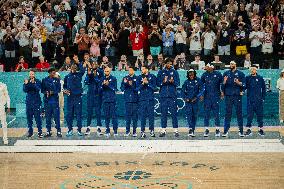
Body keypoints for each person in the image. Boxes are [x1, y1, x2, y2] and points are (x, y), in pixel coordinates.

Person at [221, 61, 246, 137]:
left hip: (237, 96)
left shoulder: (241, 73)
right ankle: (225, 131)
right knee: (228, 113)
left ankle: (241, 131)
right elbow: (222, 86)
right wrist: (224, 82)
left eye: (232, 64)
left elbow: (244, 85)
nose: (231, 65)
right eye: (230, 64)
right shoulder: (226, 73)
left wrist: (239, 83)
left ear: (235, 65)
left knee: (239, 113)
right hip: (228, 96)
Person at [157, 58, 180, 137]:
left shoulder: (175, 72)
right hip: (163, 96)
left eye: (171, 63)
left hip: (172, 96)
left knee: (174, 113)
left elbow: (178, 83)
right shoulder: (161, 72)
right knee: (163, 113)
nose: (169, 65)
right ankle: (163, 130)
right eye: (168, 63)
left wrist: (173, 82)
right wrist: (163, 82)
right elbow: (157, 83)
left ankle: (175, 130)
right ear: (165, 64)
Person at [63, 62, 86, 137]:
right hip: (70, 98)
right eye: (73, 68)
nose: (74, 69)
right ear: (70, 68)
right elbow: (64, 86)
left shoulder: (79, 74)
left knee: (79, 114)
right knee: (69, 115)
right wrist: (65, 90)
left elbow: (83, 70)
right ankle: (70, 130)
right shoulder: (67, 77)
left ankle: (79, 130)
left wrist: (78, 63)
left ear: (77, 69)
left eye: (75, 68)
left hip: (78, 97)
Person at [201, 64, 223, 137]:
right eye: (206, 67)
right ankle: (206, 129)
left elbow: (222, 84)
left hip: (215, 97)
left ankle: (217, 129)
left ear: (212, 67)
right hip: (207, 97)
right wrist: (201, 95)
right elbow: (201, 85)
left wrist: (222, 92)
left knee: (216, 114)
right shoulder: (204, 74)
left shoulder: (218, 74)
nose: (206, 68)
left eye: (208, 67)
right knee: (206, 114)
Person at [181, 69, 204, 137]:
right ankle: (190, 128)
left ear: (194, 74)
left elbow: (202, 89)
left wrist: (197, 97)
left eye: (192, 74)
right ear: (188, 75)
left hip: (195, 101)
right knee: (189, 115)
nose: (191, 76)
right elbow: (182, 91)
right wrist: (185, 98)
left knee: (194, 115)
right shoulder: (186, 82)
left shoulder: (198, 81)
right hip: (188, 102)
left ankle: (192, 129)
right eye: (190, 75)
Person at [245, 65, 266, 136]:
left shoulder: (260, 78)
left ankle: (260, 129)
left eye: (254, 69)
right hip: (250, 100)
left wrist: (263, 98)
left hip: (258, 100)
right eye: (251, 69)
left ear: (256, 70)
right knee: (249, 115)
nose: (252, 70)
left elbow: (264, 88)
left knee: (259, 115)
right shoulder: (247, 78)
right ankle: (249, 130)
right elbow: (245, 87)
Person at [136, 65, 157, 138]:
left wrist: (148, 83)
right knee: (143, 116)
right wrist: (142, 84)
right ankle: (142, 131)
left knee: (151, 116)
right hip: (142, 99)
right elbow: (137, 89)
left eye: (143, 68)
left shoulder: (153, 76)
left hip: (150, 99)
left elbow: (155, 88)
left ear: (147, 69)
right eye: (141, 69)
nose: (141, 70)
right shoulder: (139, 77)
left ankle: (152, 130)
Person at [84, 62, 104, 136]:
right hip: (90, 95)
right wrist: (89, 75)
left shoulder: (101, 72)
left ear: (98, 64)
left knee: (98, 111)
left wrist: (94, 76)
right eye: (93, 64)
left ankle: (99, 128)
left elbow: (100, 82)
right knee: (89, 112)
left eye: (96, 63)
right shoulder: (89, 72)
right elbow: (86, 82)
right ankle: (88, 128)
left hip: (98, 95)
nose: (94, 64)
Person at [41, 68, 62, 137]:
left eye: (55, 73)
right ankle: (48, 131)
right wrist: (46, 92)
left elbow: (59, 90)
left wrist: (52, 92)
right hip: (47, 101)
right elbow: (42, 90)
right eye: (53, 73)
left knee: (56, 117)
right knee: (48, 117)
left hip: (55, 101)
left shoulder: (57, 80)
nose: (54, 74)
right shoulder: (44, 80)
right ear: (49, 73)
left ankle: (59, 131)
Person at [23, 70, 43, 138]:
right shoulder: (26, 81)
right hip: (29, 103)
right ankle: (30, 132)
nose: (31, 75)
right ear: (29, 75)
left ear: (34, 74)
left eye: (32, 74)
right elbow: (25, 90)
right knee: (29, 118)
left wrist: (34, 83)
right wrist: (26, 84)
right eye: (30, 74)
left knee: (38, 118)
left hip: (36, 102)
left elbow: (38, 89)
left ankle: (40, 132)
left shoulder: (38, 81)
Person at [100, 67, 118, 137]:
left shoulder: (113, 78)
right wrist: (103, 85)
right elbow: (99, 90)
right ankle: (107, 130)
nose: (106, 72)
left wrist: (108, 85)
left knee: (114, 116)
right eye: (105, 71)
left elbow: (115, 89)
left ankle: (115, 130)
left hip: (112, 100)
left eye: (107, 71)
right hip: (105, 100)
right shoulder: (102, 79)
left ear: (110, 71)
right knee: (106, 117)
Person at [120, 67, 138, 137]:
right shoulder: (125, 78)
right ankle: (127, 131)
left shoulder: (137, 78)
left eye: (131, 70)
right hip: (127, 100)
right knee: (128, 117)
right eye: (129, 70)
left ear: (133, 71)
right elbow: (122, 88)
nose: (130, 71)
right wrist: (125, 84)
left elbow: (137, 88)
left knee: (134, 117)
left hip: (135, 100)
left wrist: (131, 85)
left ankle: (134, 131)